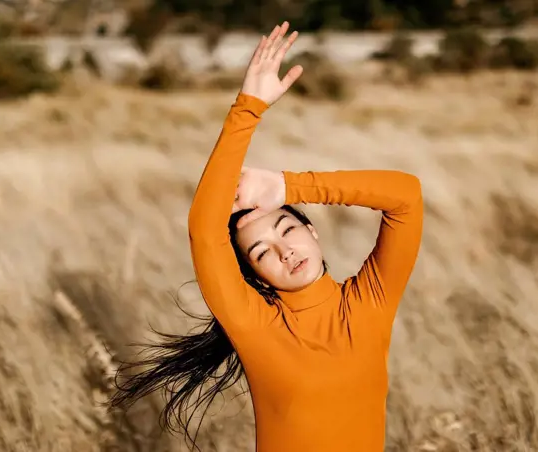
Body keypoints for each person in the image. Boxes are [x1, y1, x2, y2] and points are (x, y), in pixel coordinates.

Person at [111, 21, 423, 452]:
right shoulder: (256, 326)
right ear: (256, 276)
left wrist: (289, 186)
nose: (284, 250)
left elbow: (406, 195)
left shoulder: (369, 303)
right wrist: (248, 108)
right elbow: (205, 230)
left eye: (288, 228)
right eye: (261, 252)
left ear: (311, 230)